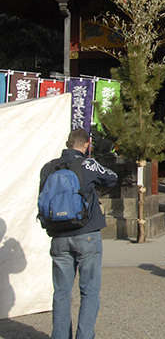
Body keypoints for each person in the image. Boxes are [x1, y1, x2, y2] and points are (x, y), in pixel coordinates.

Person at [38, 129, 118, 339]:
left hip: (59, 237)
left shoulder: (48, 167)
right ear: (87, 144)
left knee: (61, 293)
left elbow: (43, 198)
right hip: (87, 233)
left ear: (67, 143)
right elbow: (112, 178)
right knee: (89, 290)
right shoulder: (88, 164)